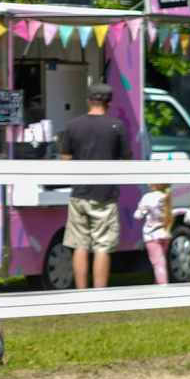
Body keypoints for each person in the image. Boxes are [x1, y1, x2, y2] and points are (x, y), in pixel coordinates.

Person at [57, 82, 130, 289]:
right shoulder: (116, 126)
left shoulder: (74, 124)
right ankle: (99, 293)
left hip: (80, 192)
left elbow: (65, 157)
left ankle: (81, 293)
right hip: (106, 193)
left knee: (80, 245)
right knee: (102, 246)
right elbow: (128, 155)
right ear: (109, 103)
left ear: (89, 101)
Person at [134, 183, 173, 285]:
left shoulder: (148, 197)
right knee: (161, 261)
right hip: (165, 234)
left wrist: (141, 210)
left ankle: (162, 286)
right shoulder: (166, 196)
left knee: (158, 264)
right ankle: (158, 284)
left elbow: (138, 215)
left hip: (151, 236)